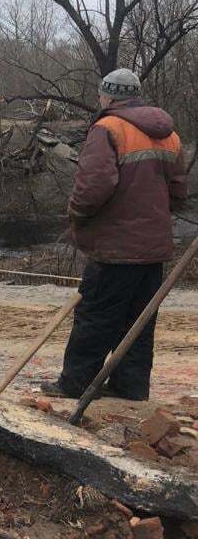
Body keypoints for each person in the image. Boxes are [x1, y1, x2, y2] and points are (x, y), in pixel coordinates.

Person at [41, 69, 186, 401]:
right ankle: (130, 390)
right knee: (139, 322)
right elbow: (179, 194)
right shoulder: (170, 135)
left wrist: (77, 215)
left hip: (115, 248)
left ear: (107, 96)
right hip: (154, 249)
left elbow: (93, 188)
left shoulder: (107, 128)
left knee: (95, 317)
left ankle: (75, 384)